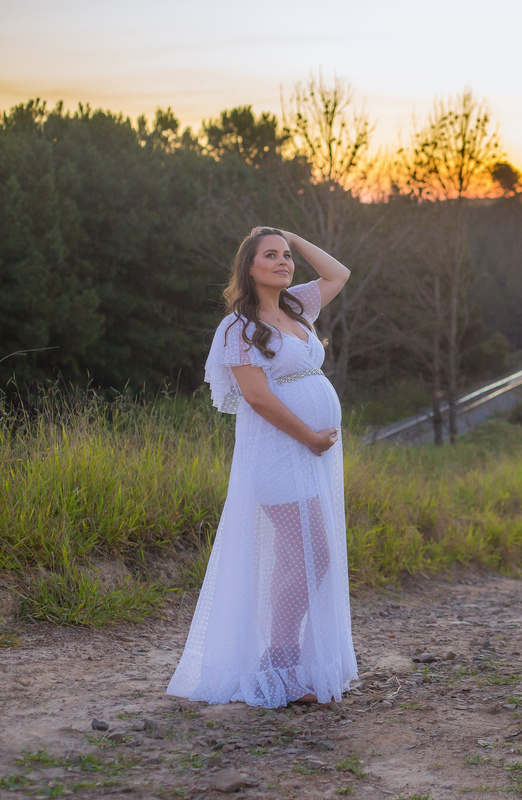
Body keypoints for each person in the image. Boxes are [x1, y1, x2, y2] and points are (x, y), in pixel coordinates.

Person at [167, 227, 356, 707]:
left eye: (286, 255)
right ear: (248, 268)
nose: (283, 261)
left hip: (311, 455)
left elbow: (339, 273)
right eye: (270, 255)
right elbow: (255, 396)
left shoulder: (296, 308)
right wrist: (310, 435)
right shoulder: (240, 327)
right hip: (278, 453)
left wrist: (288, 232)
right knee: (313, 554)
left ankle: (285, 670)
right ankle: (279, 662)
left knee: (301, 556)